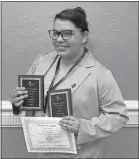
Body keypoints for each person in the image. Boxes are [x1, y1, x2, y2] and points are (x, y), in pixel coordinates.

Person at [11, 7, 129, 158]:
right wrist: (17, 102)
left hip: (81, 154)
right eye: (56, 33)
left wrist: (83, 126)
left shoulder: (100, 74)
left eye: (67, 34)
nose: (59, 39)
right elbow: (28, 102)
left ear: (84, 36)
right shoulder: (41, 62)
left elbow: (119, 116)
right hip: (44, 152)